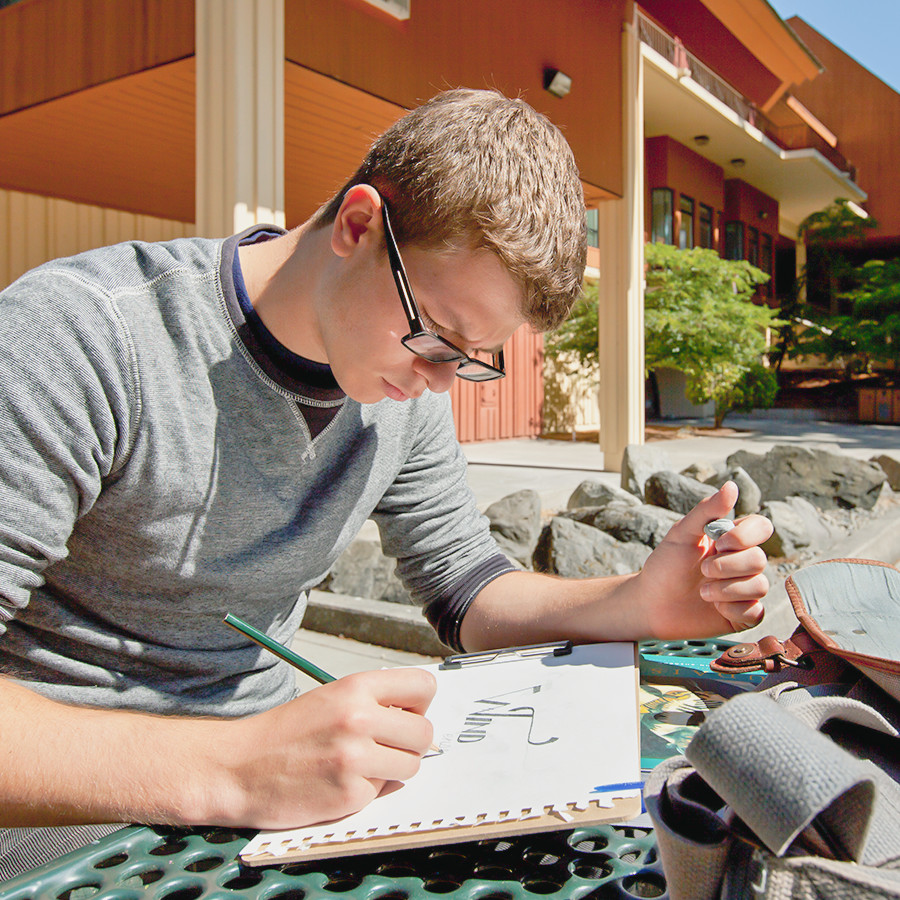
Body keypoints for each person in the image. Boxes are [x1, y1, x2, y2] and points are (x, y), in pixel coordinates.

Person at [0, 89, 772, 876]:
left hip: (281, 790)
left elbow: (466, 588)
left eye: (467, 358)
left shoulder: (394, 388)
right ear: (360, 225)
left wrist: (637, 603)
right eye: (436, 337)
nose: (439, 382)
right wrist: (235, 766)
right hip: (71, 811)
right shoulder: (81, 339)